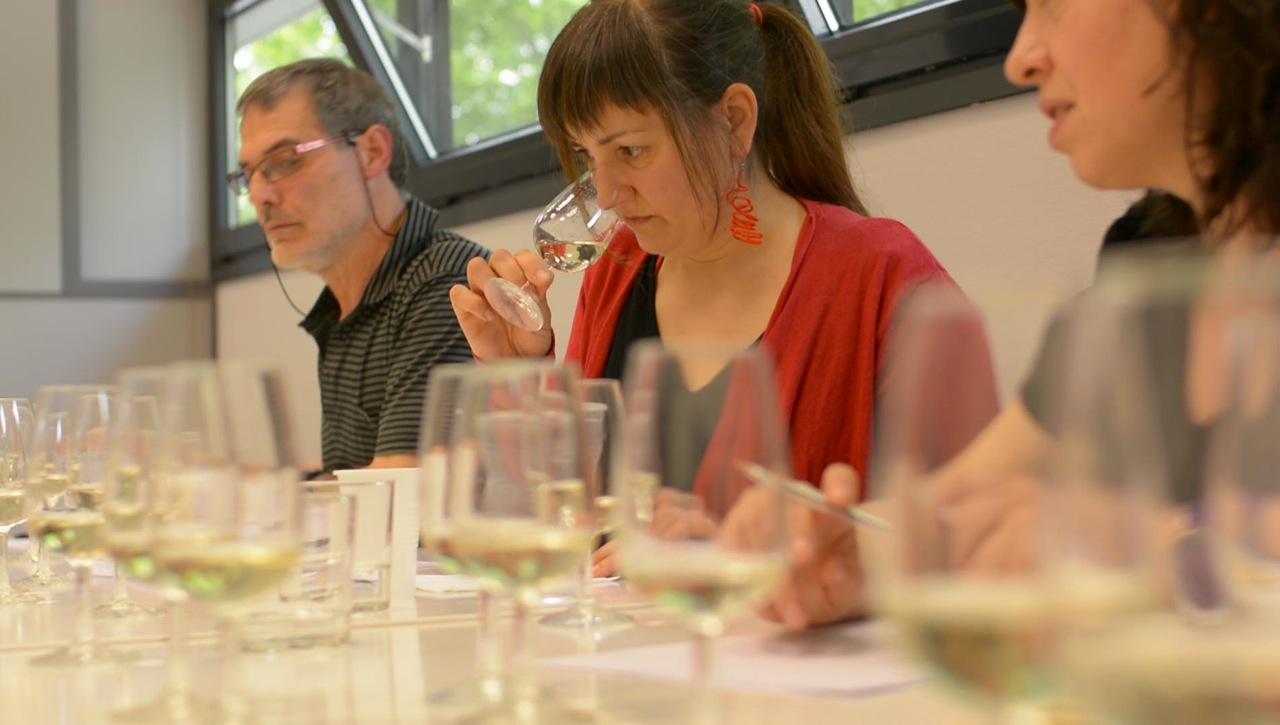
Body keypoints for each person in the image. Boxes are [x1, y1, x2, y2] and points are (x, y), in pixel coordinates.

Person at [733, 0, 1280, 628]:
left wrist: (1150, 553)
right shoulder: (1142, 275)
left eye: (1052, 7)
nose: (1020, 61)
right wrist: (839, 551)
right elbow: (956, 509)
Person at [449, 0, 998, 573]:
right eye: (588, 155)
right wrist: (517, 374)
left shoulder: (882, 274)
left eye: (630, 151)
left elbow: (981, 518)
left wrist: (750, 551)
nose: (605, 194)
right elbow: (568, 520)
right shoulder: (617, 270)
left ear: (734, 120)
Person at [234, 59, 490, 473]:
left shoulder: (447, 280)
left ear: (372, 152)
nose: (259, 195)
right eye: (249, 175)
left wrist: (228, 485)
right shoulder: (342, 308)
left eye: (285, 161)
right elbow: (353, 478)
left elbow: (397, 489)